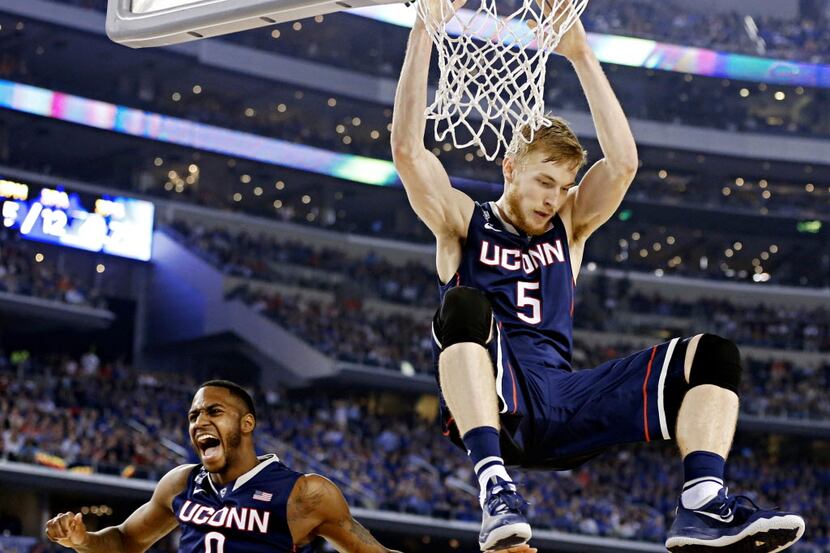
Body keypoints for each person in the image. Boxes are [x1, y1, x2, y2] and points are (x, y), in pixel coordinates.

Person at [390, 2, 806, 552]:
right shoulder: (463, 222)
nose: (553, 198)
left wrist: (582, 54)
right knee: (463, 307)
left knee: (714, 354)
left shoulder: (571, 226)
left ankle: (703, 503)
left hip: (565, 399)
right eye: (544, 182)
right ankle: (494, 486)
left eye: (563, 187)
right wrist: (425, 27)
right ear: (509, 166)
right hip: (498, 397)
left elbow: (624, 163)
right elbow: (406, 149)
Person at [46, 380, 536, 553]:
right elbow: (129, 542)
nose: (199, 423)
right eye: (194, 415)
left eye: (213, 413)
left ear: (247, 423)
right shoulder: (180, 482)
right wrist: (84, 540)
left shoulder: (305, 493)